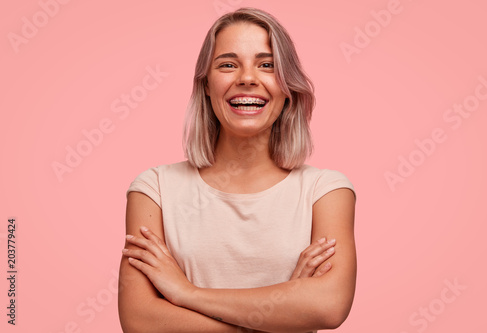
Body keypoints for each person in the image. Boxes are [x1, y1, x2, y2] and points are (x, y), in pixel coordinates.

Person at [118, 7, 356, 333]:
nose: (247, 78)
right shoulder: (155, 189)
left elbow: (328, 306)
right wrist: (283, 315)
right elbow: (140, 321)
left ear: (288, 86)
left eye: (267, 65)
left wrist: (187, 293)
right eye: (228, 64)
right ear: (205, 84)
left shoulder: (325, 191)